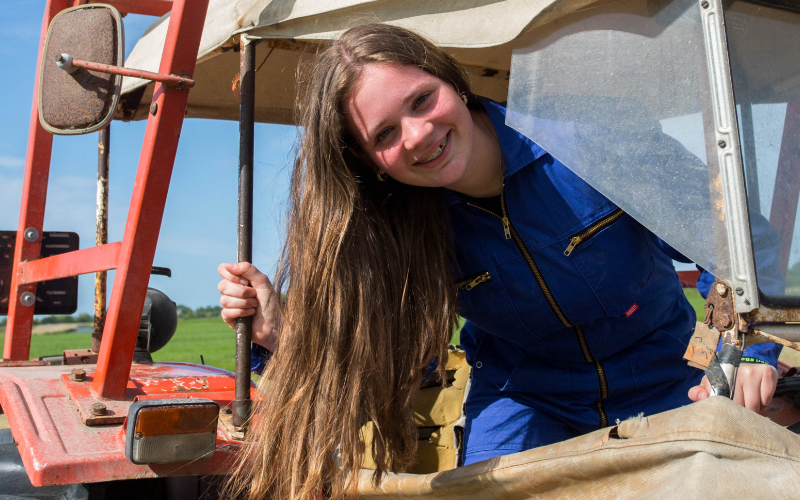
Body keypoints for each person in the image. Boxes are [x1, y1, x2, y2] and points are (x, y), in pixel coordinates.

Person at [217, 23, 780, 500]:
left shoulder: (594, 138)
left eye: (421, 100)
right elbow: (381, 362)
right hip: (526, 396)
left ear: (452, 82)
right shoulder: (398, 231)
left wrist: (745, 351)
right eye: (385, 134)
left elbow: (735, 245)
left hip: (666, 373)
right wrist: (278, 329)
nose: (418, 135)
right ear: (372, 165)